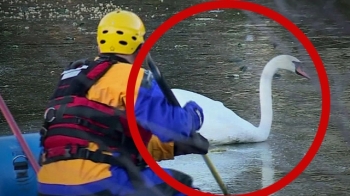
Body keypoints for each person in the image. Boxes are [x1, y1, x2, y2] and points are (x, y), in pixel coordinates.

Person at [37, 9, 209, 196]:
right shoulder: (134, 78)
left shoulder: (73, 76)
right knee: (179, 186)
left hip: (48, 184)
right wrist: (192, 117)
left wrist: (174, 147)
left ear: (100, 43)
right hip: (99, 182)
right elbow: (174, 128)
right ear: (140, 44)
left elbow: (107, 140)